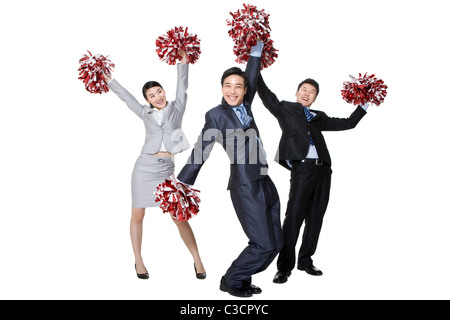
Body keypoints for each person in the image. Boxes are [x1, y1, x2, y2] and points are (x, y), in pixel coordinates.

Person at [177, 42, 283, 297]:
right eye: (228, 86)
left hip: (265, 180)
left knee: (276, 243)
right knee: (262, 243)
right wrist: (182, 183)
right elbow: (201, 150)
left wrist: (255, 46)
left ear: (246, 90)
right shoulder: (216, 115)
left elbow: (253, 73)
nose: (232, 91)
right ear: (221, 88)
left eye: (238, 86)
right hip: (245, 185)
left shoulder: (246, 105)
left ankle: (242, 277)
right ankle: (232, 279)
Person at [256, 72, 368, 283]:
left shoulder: (319, 117)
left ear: (315, 98)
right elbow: (264, 93)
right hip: (303, 169)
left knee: (316, 217)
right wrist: (255, 63)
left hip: (324, 170)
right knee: (294, 217)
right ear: (297, 93)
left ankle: (305, 261)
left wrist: (365, 104)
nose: (307, 93)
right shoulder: (284, 108)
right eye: (304, 90)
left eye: (312, 92)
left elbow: (349, 123)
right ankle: (284, 267)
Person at [105, 50, 206, 280]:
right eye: (152, 95)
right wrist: (109, 79)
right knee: (137, 216)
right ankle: (138, 261)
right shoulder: (144, 112)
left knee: (179, 217)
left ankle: (197, 260)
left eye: (159, 92)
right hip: (144, 167)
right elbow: (126, 97)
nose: (157, 97)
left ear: (164, 92)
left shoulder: (177, 107)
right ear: (148, 100)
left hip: (166, 170)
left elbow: (183, 84)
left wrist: (183, 59)